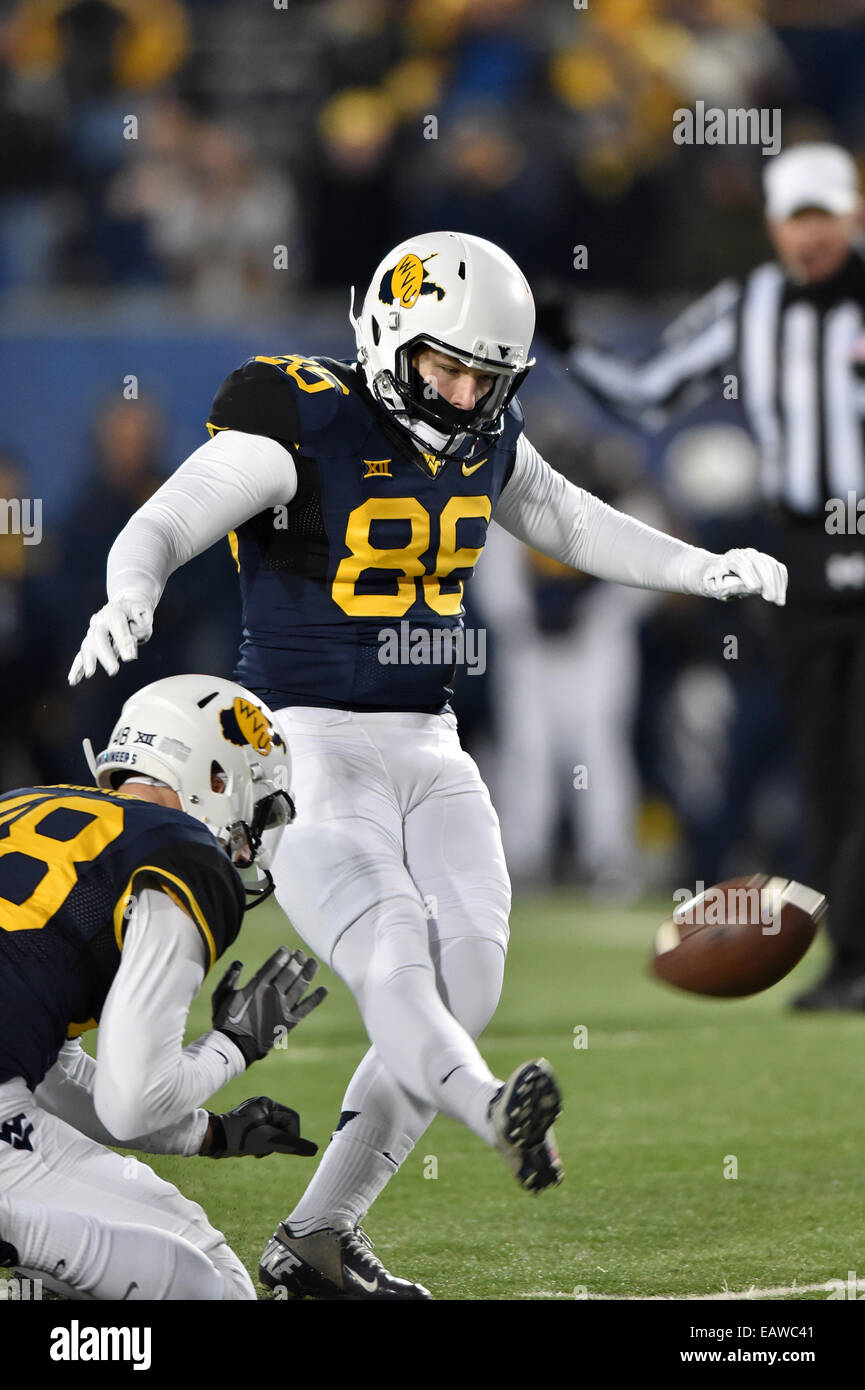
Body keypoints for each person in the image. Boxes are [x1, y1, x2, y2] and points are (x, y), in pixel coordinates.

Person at [68, 231, 786, 1300]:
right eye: (444, 366)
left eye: (484, 376)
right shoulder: (300, 412)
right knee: (393, 949)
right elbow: (167, 518)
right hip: (303, 745)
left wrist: (703, 568)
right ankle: (492, 1107)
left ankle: (316, 1237)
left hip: (426, 736)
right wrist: (131, 588)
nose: (459, 393)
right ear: (387, 333)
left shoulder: (487, 433)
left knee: (472, 977)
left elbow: (568, 519)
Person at [543, 142, 865, 1011]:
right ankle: (849, 961)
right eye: (795, 217)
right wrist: (569, 342)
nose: (810, 235)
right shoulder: (747, 306)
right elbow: (649, 392)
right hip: (800, 551)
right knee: (824, 760)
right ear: (772, 224)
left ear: (852, 215)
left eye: (823, 215)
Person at [0, 673, 325, 1301]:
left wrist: (211, 1135)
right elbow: (135, 1102)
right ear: (217, 779)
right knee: (208, 1290)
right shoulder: (177, 851)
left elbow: (57, 1080)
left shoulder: (23, 805)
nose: (251, 840)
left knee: (202, 1256)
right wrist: (233, 1045)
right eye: (258, 811)